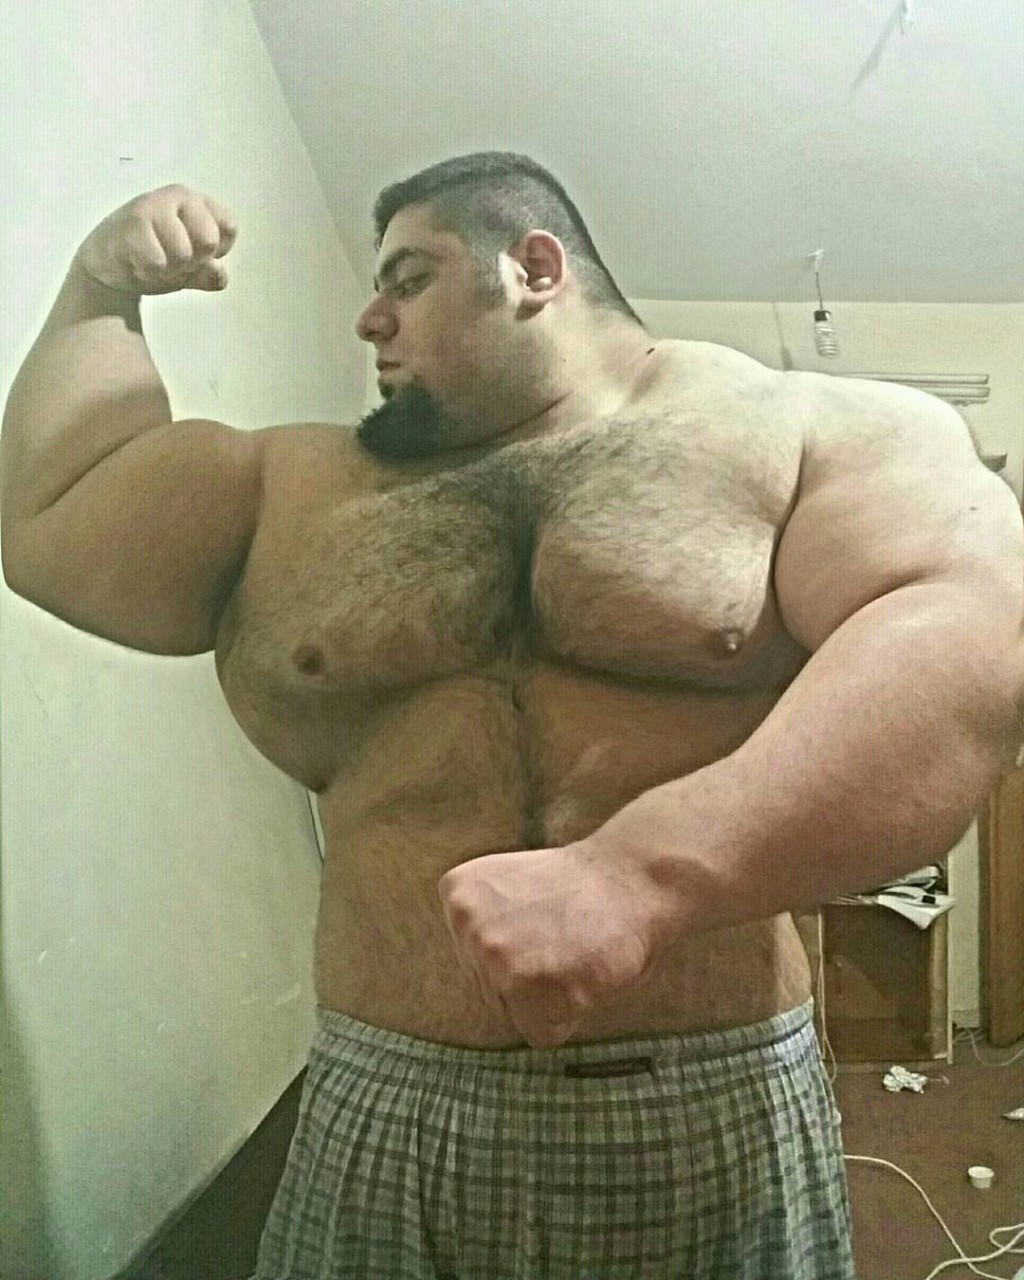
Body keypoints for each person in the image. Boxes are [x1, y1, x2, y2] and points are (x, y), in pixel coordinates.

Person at [2, 151, 1021, 1280]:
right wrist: (100, 287)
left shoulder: (795, 432)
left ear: (534, 268)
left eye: (409, 278)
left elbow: (969, 631)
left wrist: (647, 873)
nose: (368, 319)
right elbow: (57, 519)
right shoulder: (291, 487)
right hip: (388, 1100)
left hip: (713, 1095)